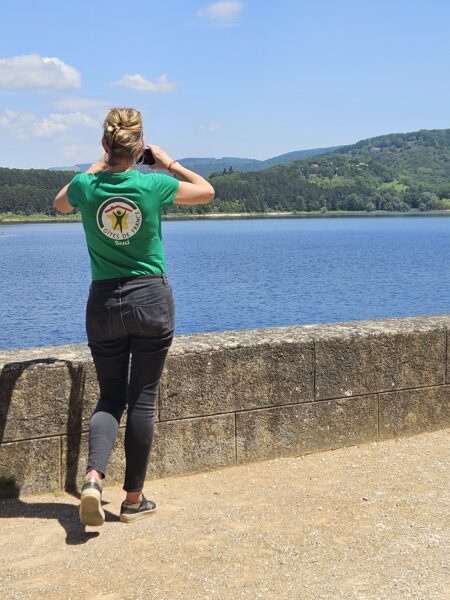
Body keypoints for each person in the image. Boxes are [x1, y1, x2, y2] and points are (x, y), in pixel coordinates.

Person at [54, 107, 214, 526]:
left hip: (104, 302)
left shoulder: (86, 187)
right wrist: (168, 161)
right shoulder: (154, 184)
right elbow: (206, 191)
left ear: (106, 144)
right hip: (150, 300)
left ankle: (92, 478)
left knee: (110, 396)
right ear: (139, 147)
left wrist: (98, 163)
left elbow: (59, 205)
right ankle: (133, 499)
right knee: (143, 397)